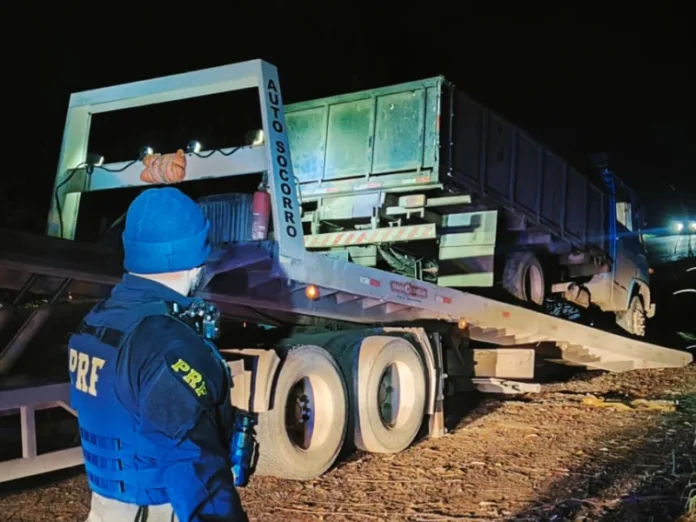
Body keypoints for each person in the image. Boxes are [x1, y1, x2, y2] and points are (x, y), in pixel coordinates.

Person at [68, 187, 248, 522]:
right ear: (195, 261)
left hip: (106, 510)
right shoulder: (164, 342)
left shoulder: (97, 321)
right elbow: (194, 469)